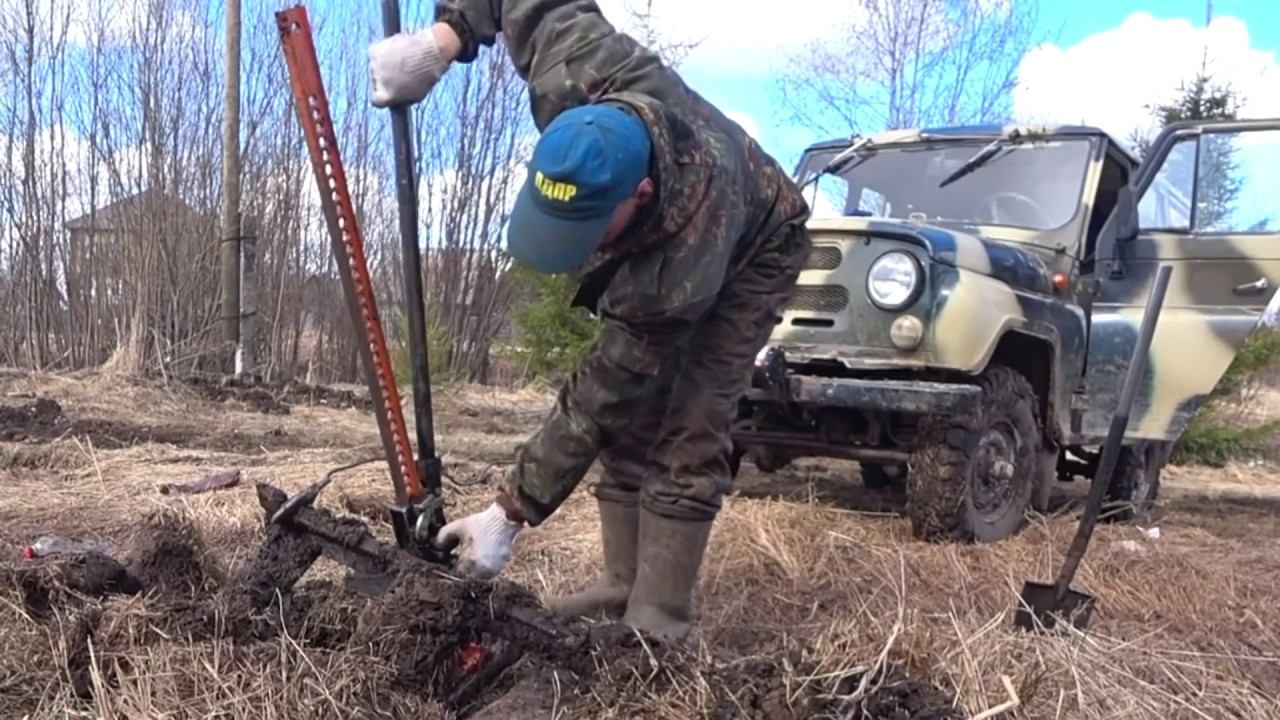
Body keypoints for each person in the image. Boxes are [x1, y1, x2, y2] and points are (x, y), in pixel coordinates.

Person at [367, 0, 811, 641]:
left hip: (758, 245)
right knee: (635, 416)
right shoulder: (576, 66)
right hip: (681, 205)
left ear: (641, 196)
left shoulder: (675, 270)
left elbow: (606, 390)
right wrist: (444, 39)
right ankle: (620, 584)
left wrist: (509, 511)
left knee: (688, 420)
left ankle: (658, 618)